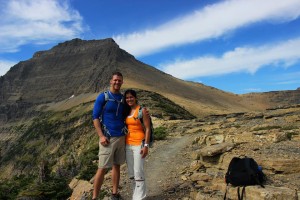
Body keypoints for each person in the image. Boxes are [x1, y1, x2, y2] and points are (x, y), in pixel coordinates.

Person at [92, 71, 126, 200]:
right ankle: (95, 197)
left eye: (119, 80)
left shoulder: (122, 99)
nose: (117, 82)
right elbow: (95, 117)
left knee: (116, 165)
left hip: (121, 136)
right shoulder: (103, 97)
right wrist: (101, 135)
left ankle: (114, 193)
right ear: (111, 81)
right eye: (115, 80)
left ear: (122, 82)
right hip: (108, 138)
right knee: (102, 168)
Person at [124, 89, 151, 200]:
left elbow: (148, 128)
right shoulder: (127, 111)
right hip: (128, 145)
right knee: (131, 173)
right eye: (127, 98)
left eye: (131, 97)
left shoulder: (142, 110)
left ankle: (140, 197)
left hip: (139, 144)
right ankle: (136, 195)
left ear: (135, 98)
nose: (129, 99)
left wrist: (146, 146)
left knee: (138, 171)